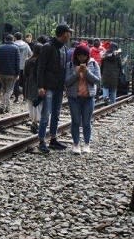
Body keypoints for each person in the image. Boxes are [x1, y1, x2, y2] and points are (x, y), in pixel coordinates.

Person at [36, 23, 72, 153]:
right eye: (69, 32)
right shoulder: (48, 47)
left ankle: (53, 138)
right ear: (64, 34)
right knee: (46, 113)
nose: (70, 35)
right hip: (48, 86)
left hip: (59, 86)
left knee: (56, 113)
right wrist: (40, 86)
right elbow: (41, 67)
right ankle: (41, 140)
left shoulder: (64, 48)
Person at [64, 45, 101, 154]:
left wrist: (86, 72)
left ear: (87, 56)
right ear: (76, 55)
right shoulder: (70, 65)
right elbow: (67, 82)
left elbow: (97, 80)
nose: (82, 58)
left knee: (86, 122)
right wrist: (76, 73)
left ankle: (86, 144)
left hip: (88, 98)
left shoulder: (94, 64)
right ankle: (76, 144)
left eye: (84, 56)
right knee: (75, 121)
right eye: (79, 55)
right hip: (74, 98)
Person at [0, 34, 20, 114]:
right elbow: (17, 62)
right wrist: (17, 73)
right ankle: (2, 105)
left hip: (1, 73)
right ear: (13, 40)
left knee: (4, 89)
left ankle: (7, 108)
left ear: (5, 39)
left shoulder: (0, 47)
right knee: (9, 90)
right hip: (12, 74)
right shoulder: (16, 48)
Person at [23, 43, 43, 133]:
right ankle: (37, 121)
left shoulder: (28, 60)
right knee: (38, 103)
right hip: (39, 84)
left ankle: (33, 121)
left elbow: (25, 73)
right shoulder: (41, 61)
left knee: (31, 103)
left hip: (29, 84)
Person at [12, 32, 33, 103]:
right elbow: (31, 54)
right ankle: (24, 98)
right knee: (25, 82)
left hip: (15, 67)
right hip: (24, 67)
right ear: (22, 37)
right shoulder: (26, 45)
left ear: (15, 37)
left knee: (16, 82)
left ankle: (16, 98)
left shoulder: (13, 45)